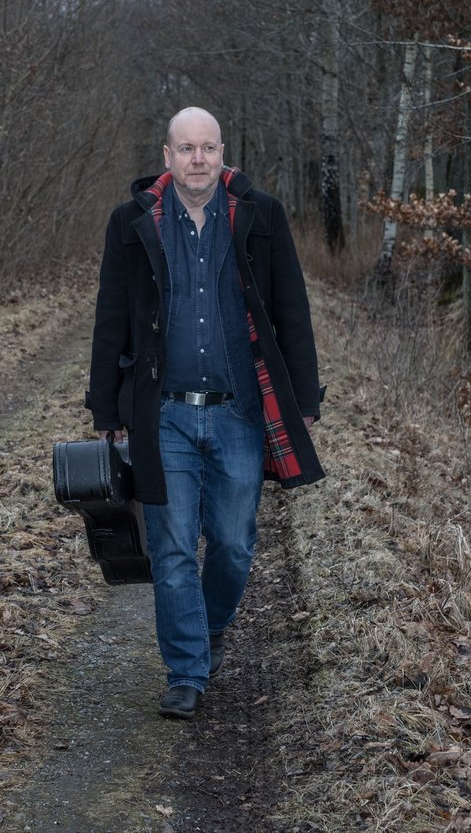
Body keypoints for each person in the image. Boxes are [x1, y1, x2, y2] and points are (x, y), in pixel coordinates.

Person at [87, 106, 324, 720]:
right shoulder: (132, 221)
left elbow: (291, 309)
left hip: (238, 411)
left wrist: (304, 397)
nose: (198, 159)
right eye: (187, 148)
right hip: (162, 412)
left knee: (234, 544)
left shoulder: (260, 215)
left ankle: (211, 625)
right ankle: (186, 671)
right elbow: (112, 315)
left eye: (208, 148)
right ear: (167, 156)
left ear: (223, 153)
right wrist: (104, 405)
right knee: (170, 547)